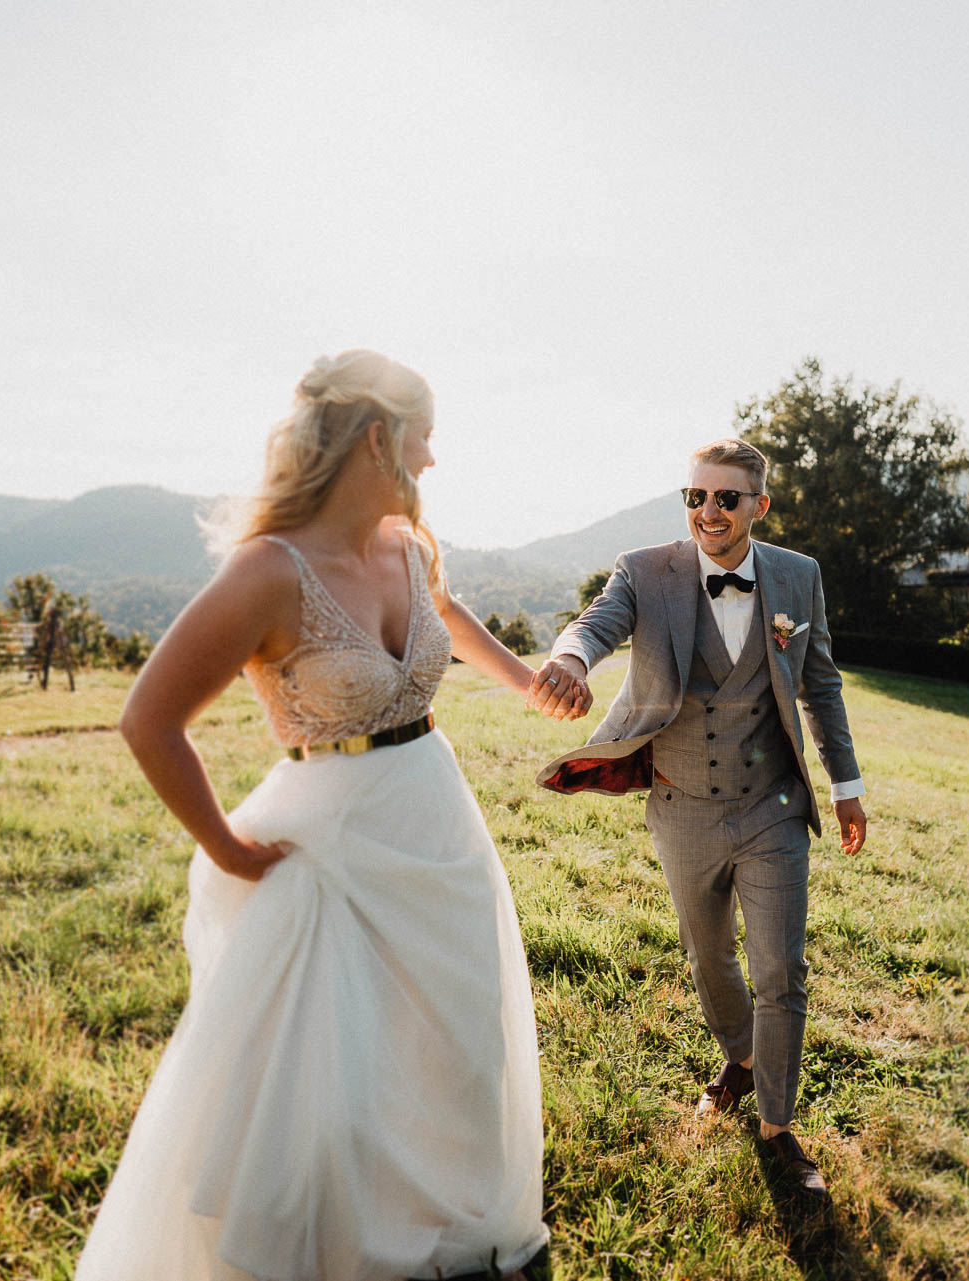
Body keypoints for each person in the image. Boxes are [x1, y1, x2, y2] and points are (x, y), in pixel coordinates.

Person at [76, 350, 571, 1281]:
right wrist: (222, 844)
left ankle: (447, 1232)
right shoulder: (269, 570)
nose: (433, 458)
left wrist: (524, 678)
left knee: (459, 1050)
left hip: (437, 821)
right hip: (331, 844)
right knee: (337, 1085)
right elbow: (149, 718)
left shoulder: (411, 547)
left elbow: (448, 614)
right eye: (424, 435)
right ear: (379, 436)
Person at [526, 437, 868, 1201]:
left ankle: (779, 1128)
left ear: (759, 505)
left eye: (726, 498)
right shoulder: (646, 571)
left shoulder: (798, 577)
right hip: (680, 805)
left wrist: (846, 784)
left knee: (782, 969)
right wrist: (572, 659)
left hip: (771, 807)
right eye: (695, 497)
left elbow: (821, 685)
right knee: (708, 956)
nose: (708, 511)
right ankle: (740, 1056)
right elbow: (597, 622)